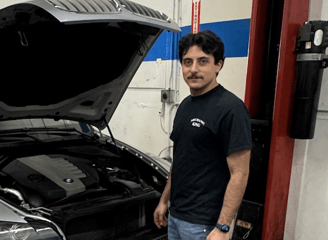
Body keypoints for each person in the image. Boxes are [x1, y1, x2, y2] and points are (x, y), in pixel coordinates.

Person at [153, 30, 252, 240]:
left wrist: (223, 227)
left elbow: (240, 174)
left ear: (219, 65)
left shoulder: (231, 109)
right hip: (176, 216)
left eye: (203, 61)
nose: (194, 69)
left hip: (205, 225)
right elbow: (179, 162)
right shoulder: (185, 106)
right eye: (187, 62)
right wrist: (164, 201)